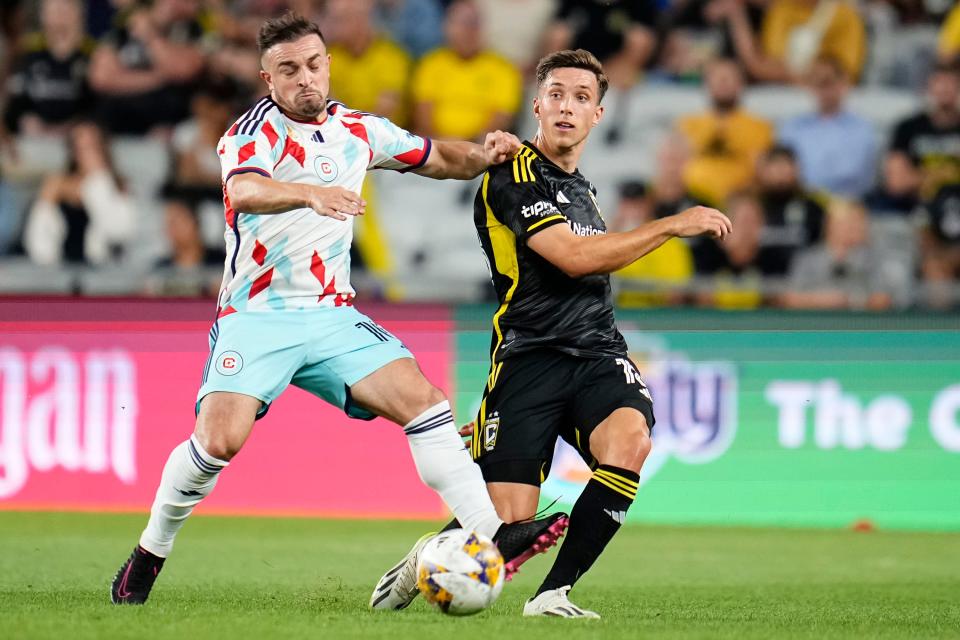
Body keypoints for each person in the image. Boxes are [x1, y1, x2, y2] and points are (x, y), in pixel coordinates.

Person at [109, 12, 567, 607]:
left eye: (314, 64)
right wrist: (309, 192)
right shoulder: (250, 134)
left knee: (424, 404)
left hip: (331, 316)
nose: (306, 78)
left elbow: (435, 157)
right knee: (218, 443)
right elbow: (244, 189)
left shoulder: (358, 129)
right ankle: (150, 551)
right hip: (257, 314)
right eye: (290, 69)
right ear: (267, 78)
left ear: (327, 63)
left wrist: (488, 154)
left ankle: (494, 536)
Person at [370, 49, 732, 618]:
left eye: (582, 98)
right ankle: (430, 556)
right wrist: (670, 224)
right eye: (557, 94)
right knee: (510, 528)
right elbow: (573, 259)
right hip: (527, 360)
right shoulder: (513, 176)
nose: (568, 106)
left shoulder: (583, 188)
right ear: (536, 104)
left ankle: (552, 594)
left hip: (596, 354)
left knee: (630, 442)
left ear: (598, 116)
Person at [23, 122, 134, 265]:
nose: (86, 154)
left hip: (103, 272)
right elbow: (37, 237)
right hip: (58, 271)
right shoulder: (58, 184)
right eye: (80, 148)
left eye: (92, 147)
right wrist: (47, 201)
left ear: (103, 148)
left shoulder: (117, 185)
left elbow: (117, 232)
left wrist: (99, 180)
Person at [411, 0, 522, 141]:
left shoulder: (503, 69)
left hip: (481, 149)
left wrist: (465, 148)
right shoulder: (430, 64)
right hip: (435, 146)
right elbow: (423, 118)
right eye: (462, 23)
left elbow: (500, 120)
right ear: (447, 28)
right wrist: (445, 147)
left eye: (474, 23)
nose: (468, 30)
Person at [676, 57, 774, 207]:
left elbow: (763, 174)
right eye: (717, 77)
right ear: (707, 84)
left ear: (741, 83)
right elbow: (675, 168)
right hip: (691, 202)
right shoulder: (688, 124)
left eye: (728, 77)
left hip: (739, 204)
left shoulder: (759, 127)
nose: (722, 82)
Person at [778, 56, 876, 200]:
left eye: (828, 82)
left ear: (843, 83)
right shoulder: (793, 128)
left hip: (849, 202)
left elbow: (857, 175)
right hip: (802, 202)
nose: (824, 89)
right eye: (817, 83)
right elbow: (783, 171)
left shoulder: (861, 129)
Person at [3, 0, 95, 135]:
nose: (59, 14)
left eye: (65, 7)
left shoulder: (94, 54)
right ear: (42, 15)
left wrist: (70, 127)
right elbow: (13, 101)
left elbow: (100, 107)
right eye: (53, 8)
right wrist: (24, 119)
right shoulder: (26, 51)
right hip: (31, 142)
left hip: (80, 143)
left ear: (79, 13)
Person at [888, 61, 960, 202]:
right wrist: (945, 175)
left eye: (951, 83)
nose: (945, 89)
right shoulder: (908, 127)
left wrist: (920, 176)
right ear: (929, 86)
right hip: (914, 207)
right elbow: (896, 183)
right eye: (940, 82)